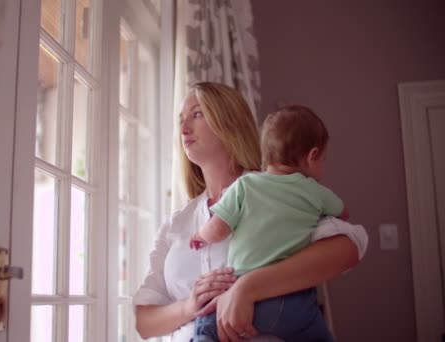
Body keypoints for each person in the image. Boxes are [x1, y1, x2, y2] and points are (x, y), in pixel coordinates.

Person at [133, 82, 368, 342]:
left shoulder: (275, 192)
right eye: (181, 119)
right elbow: (144, 323)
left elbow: (349, 248)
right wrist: (190, 306)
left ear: (230, 123)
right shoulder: (176, 224)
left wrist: (247, 287)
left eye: (197, 114)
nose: (184, 127)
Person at [189, 105, 349, 341]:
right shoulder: (316, 192)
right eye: (324, 159)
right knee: (317, 334)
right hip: (293, 299)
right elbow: (344, 214)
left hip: (241, 298)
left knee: (204, 323)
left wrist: (199, 235)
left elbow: (218, 229)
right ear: (312, 155)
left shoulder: (245, 185)